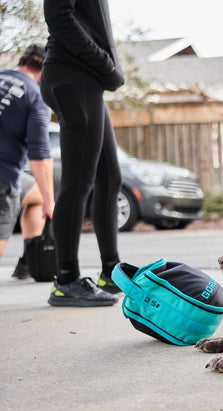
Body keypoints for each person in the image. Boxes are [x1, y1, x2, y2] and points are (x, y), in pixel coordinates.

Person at [41, 0, 125, 306]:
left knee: (110, 177)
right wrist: (105, 63)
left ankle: (111, 272)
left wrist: (107, 67)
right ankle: (66, 280)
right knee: (77, 183)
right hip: (71, 73)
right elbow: (58, 16)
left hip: (86, 77)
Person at [0, 44, 54, 274]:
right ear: (45, 70)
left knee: (35, 197)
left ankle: (28, 262)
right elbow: (39, 154)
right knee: (43, 200)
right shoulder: (35, 95)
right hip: (2, 177)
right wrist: (50, 201)